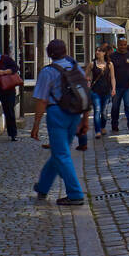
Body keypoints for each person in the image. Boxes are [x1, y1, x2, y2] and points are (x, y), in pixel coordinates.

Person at [30, 39, 87, 205]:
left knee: (61, 154)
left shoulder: (48, 72)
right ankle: (43, 186)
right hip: (75, 112)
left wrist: (35, 125)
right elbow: (85, 93)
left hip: (57, 113)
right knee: (59, 152)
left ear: (49, 53)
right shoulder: (76, 68)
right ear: (66, 51)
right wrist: (84, 119)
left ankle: (75, 193)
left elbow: (41, 100)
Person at [108, 34, 129, 133]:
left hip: (128, 86)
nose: (123, 46)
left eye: (124, 44)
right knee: (115, 106)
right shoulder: (112, 56)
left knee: (128, 105)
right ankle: (114, 123)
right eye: (121, 45)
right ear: (118, 45)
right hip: (116, 86)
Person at [88, 44, 113, 138]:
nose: (97, 52)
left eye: (100, 51)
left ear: (104, 53)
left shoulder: (109, 64)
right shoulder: (92, 64)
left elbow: (113, 78)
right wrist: (88, 83)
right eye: (96, 51)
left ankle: (103, 127)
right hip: (95, 91)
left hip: (106, 91)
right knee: (97, 110)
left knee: (104, 111)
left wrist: (113, 88)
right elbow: (85, 76)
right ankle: (97, 131)